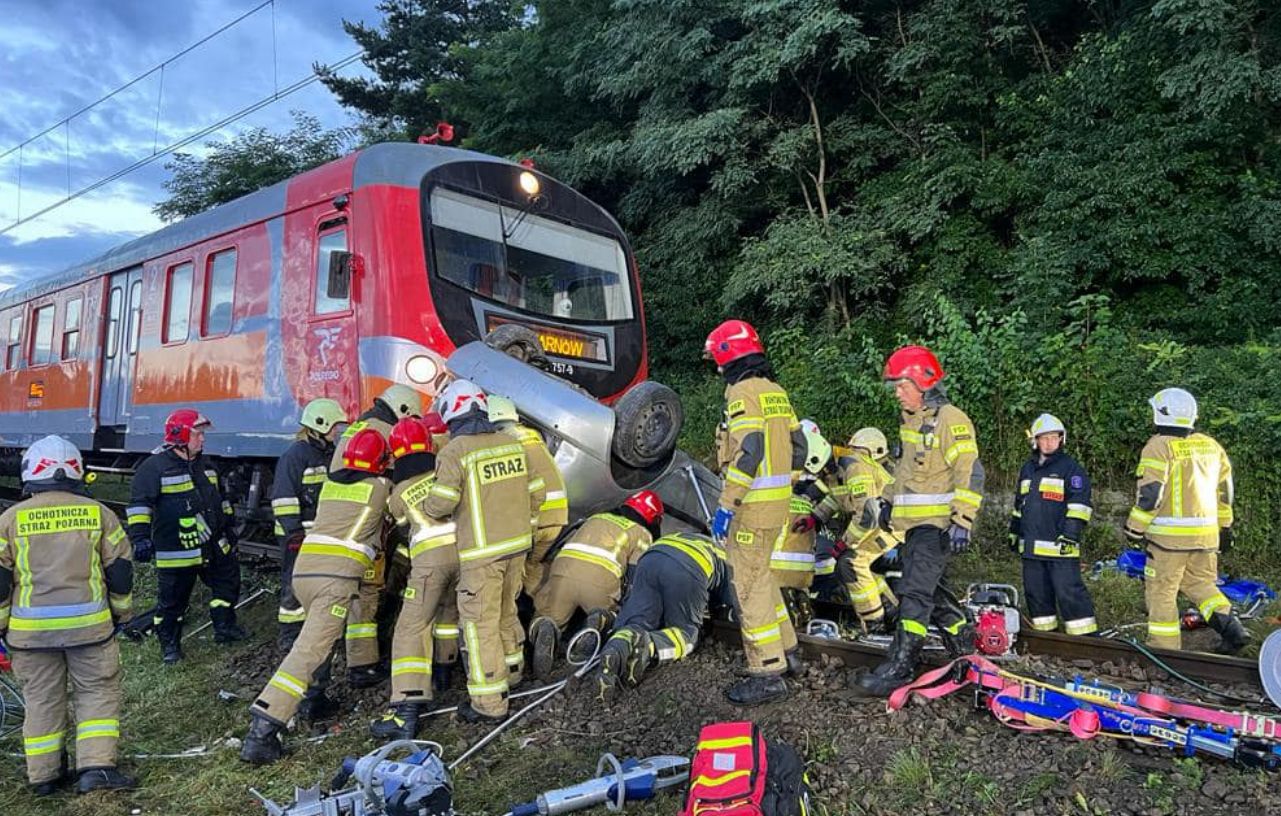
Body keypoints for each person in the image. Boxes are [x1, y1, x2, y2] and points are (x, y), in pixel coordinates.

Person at [240, 428, 393, 764]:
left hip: (305, 572)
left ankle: (314, 698)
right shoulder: (380, 487)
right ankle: (263, 729)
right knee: (309, 650)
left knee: (319, 642)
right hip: (333, 581)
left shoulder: (333, 484)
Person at [0, 436, 136, 794]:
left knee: (42, 699)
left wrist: (2, 624)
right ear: (77, 472)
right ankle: (96, 770)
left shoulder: (9, 520)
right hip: (90, 630)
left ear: (30, 472)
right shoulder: (99, 515)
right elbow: (120, 572)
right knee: (96, 694)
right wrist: (121, 614)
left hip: (30, 635)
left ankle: (44, 777)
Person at [851, 345, 985, 697]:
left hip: (937, 525)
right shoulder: (911, 423)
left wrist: (963, 520)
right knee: (931, 590)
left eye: (901, 385)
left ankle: (902, 665)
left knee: (913, 592)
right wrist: (886, 502)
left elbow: (970, 473)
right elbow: (907, 475)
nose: (896, 392)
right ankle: (964, 646)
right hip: (912, 526)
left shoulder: (951, 420)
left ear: (923, 383)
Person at [420, 380, 545, 723]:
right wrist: (526, 528)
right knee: (506, 612)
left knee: (479, 625)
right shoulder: (512, 444)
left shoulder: (455, 452)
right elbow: (538, 493)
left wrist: (428, 504)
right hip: (517, 547)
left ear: (451, 414)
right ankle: (513, 673)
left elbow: (441, 503)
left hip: (482, 554)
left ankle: (489, 702)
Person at [704, 319, 799, 706]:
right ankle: (788, 650)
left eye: (717, 359)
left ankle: (767, 670)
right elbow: (799, 445)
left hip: (751, 509)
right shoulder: (776, 392)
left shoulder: (742, 393)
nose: (716, 368)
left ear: (729, 356)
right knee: (763, 577)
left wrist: (727, 505)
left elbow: (751, 449)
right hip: (777, 505)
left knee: (748, 586)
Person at [1124, 388, 1247, 653]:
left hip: (1169, 542)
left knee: (1162, 593)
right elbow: (1225, 491)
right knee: (1201, 585)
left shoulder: (1158, 446)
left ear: (1160, 414)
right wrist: (1225, 526)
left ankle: (1164, 652)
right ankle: (1233, 630)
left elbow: (1151, 494)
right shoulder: (1210, 446)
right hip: (1205, 538)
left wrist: (1134, 528)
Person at [127, 409, 244, 664]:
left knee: (227, 584)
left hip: (212, 544)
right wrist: (140, 538)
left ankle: (225, 629)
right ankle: (170, 646)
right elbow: (139, 506)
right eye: (198, 434)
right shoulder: (153, 468)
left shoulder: (207, 465)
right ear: (180, 436)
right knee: (172, 602)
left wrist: (229, 527)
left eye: (202, 434)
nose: (202, 439)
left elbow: (220, 499)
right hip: (177, 550)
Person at [371, 418, 459, 740]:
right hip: (465, 554)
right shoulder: (444, 470)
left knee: (411, 627)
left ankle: (406, 710)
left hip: (430, 563)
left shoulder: (398, 492)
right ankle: (445, 671)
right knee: (449, 613)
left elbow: (401, 525)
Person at [527, 491, 663, 680]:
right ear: (653, 518)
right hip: (599, 584)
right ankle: (599, 621)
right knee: (612, 612)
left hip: (561, 574)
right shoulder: (642, 534)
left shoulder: (595, 517)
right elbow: (635, 576)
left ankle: (545, 626)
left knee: (546, 612)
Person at [487, 394, 568, 682]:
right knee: (537, 576)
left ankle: (526, 642)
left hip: (534, 518)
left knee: (516, 584)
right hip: (559, 516)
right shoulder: (531, 436)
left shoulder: (503, 442)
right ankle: (546, 624)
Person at [595, 532, 729, 695]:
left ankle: (617, 646)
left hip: (651, 557)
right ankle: (649, 646)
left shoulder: (696, 537)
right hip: (688, 566)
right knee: (686, 635)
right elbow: (733, 607)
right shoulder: (732, 560)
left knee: (639, 621)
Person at [1009, 414, 1097, 635]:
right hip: (1031, 549)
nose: (1049, 442)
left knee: (1070, 594)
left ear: (1061, 439)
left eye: (1054, 438)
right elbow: (1019, 505)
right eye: (1044, 438)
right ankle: (1048, 640)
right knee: (1036, 595)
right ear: (1035, 441)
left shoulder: (1071, 469)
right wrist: (1014, 531)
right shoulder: (1027, 469)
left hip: (1060, 546)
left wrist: (1071, 534)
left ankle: (1086, 640)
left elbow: (1080, 505)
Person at [272, 398, 348, 648]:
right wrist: (293, 533)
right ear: (319, 425)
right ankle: (289, 635)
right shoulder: (296, 456)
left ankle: (315, 628)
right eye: (334, 426)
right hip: (298, 534)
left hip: (319, 532)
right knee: (293, 583)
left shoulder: (327, 453)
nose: (337, 431)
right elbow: (283, 498)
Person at [831, 427, 900, 631]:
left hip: (890, 527)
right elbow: (843, 501)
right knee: (856, 564)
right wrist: (816, 516)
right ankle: (891, 611)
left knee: (851, 562)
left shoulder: (857, 466)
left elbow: (866, 516)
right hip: (887, 524)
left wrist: (845, 542)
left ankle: (874, 622)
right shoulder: (865, 466)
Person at [330, 383, 423, 470]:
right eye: (412, 417)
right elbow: (405, 468)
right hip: (360, 482)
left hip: (338, 480)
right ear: (404, 410)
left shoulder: (365, 421)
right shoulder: (386, 430)